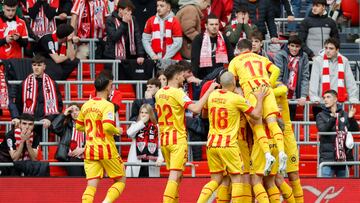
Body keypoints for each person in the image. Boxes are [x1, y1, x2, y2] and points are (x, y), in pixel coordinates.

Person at [229, 39, 287, 203]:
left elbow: (231, 82)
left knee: (257, 124)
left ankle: (268, 154)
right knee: (273, 122)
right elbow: (276, 69)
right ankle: (281, 152)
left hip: (252, 92)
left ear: (240, 50)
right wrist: (270, 83)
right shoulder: (261, 58)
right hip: (266, 88)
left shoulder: (235, 61)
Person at [196, 72, 267, 203]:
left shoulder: (212, 95)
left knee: (216, 180)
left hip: (212, 144)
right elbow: (256, 115)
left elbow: (204, 115)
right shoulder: (236, 99)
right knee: (237, 179)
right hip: (228, 144)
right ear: (234, 83)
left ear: (221, 83)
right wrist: (260, 98)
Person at [155, 64, 218, 202]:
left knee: (178, 177)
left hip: (165, 140)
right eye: (183, 76)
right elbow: (195, 109)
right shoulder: (177, 93)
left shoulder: (159, 93)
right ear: (177, 76)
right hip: (177, 139)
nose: (184, 78)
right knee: (174, 176)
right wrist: (209, 91)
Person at [76, 70, 125, 203]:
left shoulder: (86, 104)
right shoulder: (107, 105)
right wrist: (118, 130)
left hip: (90, 149)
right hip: (106, 148)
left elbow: (78, 126)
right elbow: (107, 126)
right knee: (120, 180)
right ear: (109, 86)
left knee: (91, 185)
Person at [9, 55, 63, 132]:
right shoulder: (23, 84)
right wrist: (18, 117)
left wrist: (49, 119)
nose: (36, 67)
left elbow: (59, 105)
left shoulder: (53, 85)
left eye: (39, 65)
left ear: (44, 67)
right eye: (34, 65)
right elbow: (18, 104)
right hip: (27, 122)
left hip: (44, 124)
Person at [310, 38, 358, 117]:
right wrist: (314, 97)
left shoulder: (344, 60)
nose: (328, 50)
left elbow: (350, 81)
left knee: (337, 128)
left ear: (337, 50)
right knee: (322, 128)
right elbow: (314, 81)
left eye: (331, 48)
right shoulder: (318, 60)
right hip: (321, 103)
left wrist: (353, 97)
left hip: (338, 103)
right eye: (326, 48)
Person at [316, 89, 359, 177]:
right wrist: (332, 118)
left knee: (344, 187)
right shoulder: (320, 115)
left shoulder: (344, 114)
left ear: (335, 99)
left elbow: (355, 130)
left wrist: (351, 118)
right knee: (325, 186)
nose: (325, 100)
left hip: (342, 158)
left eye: (328, 97)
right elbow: (323, 130)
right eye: (324, 98)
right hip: (327, 159)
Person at [274, 35, 310, 120]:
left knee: (291, 119)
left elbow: (305, 77)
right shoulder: (280, 55)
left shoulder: (304, 57)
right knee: (280, 120)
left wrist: (303, 95)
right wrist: (281, 89)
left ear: (300, 47)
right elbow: (278, 74)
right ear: (288, 45)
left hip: (294, 93)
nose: (294, 49)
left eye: (297, 46)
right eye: (292, 46)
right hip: (281, 92)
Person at [191, 13, 234, 80]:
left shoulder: (223, 38)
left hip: (219, 75)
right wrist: (195, 78)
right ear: (206, 25)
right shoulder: (199, 39)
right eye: (211, 24)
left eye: (216, 24)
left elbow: (231, 57)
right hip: (202, 77)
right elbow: (195, 60)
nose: (214, 26)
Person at [126, 104, 163, 177]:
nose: (143, 115)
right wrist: (141, 122)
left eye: (146, 113)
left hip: (151, 161)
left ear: (150, 114)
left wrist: (160, 157)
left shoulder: (156, 127)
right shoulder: (135, 125)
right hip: (137, 160)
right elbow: (129, 133)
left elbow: (159, 144)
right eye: (141, 112)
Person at [104, 0, 145, 64]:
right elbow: (114, 37)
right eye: (128, 10)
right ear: (120, 10)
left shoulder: (133, 19)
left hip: (129, 55)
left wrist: (140, 54)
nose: (130, 13)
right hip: (113, 56)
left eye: (131, 11)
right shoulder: (110, 19)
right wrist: (124, 23)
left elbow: (137, 37)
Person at [52, 104, 85, 176]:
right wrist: (65, 113)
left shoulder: (87, 125)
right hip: (71, 158)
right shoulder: (66, 127)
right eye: (72, 111)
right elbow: (54, 127)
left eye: (77, 110)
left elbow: (95, 140)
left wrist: (83, 149)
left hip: (87, 157)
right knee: (77, 181)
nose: (75, 113)